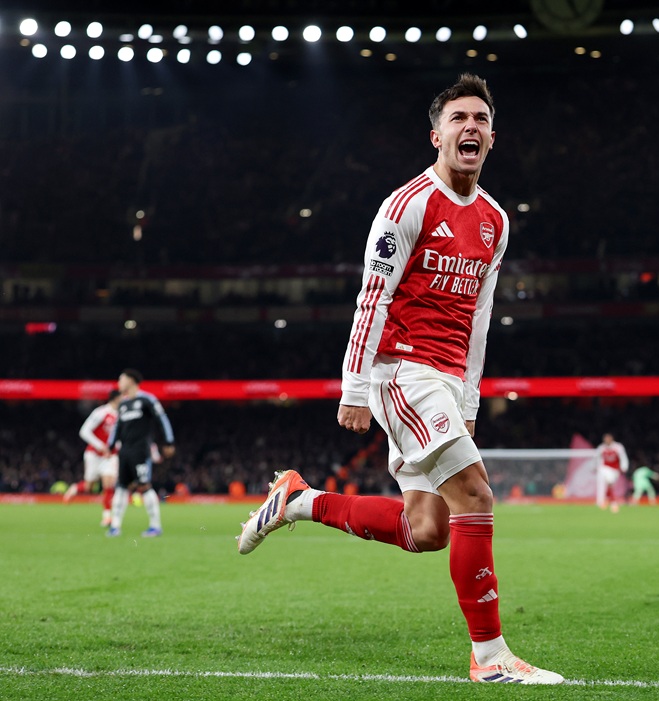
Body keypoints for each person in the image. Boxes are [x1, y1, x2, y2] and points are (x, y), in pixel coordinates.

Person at [237, 74, 562, 685]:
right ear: (436, 134)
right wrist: (355, 387)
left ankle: (298, 501)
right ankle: (490, 659)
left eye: (481, 120)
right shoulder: (407, 204)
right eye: (459, 118)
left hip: (444, 379)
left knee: (428, 529)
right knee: (476, 496)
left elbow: (481, 316)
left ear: (493, 138)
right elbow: (372, 297)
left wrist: (469, 398)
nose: (471, 127)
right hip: (401, 370)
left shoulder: (494, 220)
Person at [106, 369, 176, 538]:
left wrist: (169, 441)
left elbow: (162, 418)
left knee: (144, 486)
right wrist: (110, 445)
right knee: (121, 488)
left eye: (121, 379)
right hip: (124, 452)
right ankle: (115, 526)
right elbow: (117, 427)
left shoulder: (147, 400)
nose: (119, 383)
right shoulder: (122, 404)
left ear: (131, 381)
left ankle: (155, 526)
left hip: (140, 451)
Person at [65, 389, 122, 526]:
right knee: (90, 486)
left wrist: (118, 448)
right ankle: (75, 488)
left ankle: (107, 517)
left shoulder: (122, 415)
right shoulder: (101, 412)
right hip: (94, 454)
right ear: (115, 399)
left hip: (111, 455)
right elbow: (84, 431)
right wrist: (100, 445)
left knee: (109, 482)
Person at [596, 433, 629, 512]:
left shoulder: (618, 447)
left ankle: (608, 500)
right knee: (602, 481)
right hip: (604, 468)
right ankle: (603, 502)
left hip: (614, 470)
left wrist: (624, 467)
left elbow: (623, 457)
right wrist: (595, 467)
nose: (606, 441)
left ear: (612, 439)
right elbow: (597, 458)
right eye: (605, 439)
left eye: (608, 439)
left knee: (610, 484)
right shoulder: (601, 448)